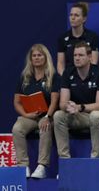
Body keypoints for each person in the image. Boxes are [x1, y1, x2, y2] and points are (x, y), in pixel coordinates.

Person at [54, 41, 99, 158]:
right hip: (80, 116)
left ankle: (96, 158)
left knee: (95, 115)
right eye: (75, 55)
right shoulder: (68, 73)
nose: (77, 58)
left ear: (90, 57)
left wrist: (80, 107)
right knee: (58, 115)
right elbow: (62, 103)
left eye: (81, 55)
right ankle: (64, 159)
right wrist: (69, 107)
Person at [12, 44, 60, 178]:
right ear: (30, 59)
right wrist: (26, 114)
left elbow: (55, 100)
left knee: (45, 127)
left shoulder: (54, 77)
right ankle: (23, 166)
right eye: (34, 56)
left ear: (45, 58)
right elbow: (16, 102)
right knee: (17, 128)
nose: (37, 58)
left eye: (40, 55)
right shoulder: (25, 77)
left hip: (46, 115)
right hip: (30, 115)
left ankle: (42, 166)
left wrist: (47, 116)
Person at [57, 2, 99, 75]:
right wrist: (65, 78)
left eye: (76, 15)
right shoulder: (63, 38)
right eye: (71, 15)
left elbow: (93, 62)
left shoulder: (93, 37)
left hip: (87, 76)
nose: (72, 18)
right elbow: (60, 64)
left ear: (84, 19)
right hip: (68, 77)